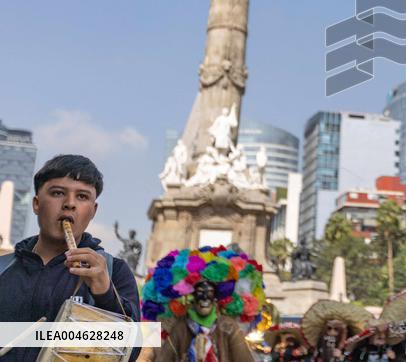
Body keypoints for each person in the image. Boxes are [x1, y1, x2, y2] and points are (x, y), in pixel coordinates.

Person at [0, 154, 141, 362]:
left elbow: (130, 353)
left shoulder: (113, 271)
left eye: (82, 197)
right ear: (37, 204)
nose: (69, 204)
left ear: (93, 211)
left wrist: (106, 294)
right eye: (57, 193)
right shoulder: (4, 267)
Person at [142, 245, 266, 362]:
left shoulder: (228, 327)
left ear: (216, 298)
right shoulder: (181, 327)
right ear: (192, 297)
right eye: (200, 292)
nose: (205, 298)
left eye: (210, 292)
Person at [301, 300, 371, 362]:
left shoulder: (354, 348)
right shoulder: (320, 344)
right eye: (329, 328)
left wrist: (341, 357)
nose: (332, 333)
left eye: (336, 329)